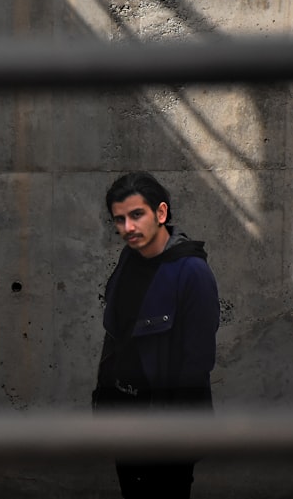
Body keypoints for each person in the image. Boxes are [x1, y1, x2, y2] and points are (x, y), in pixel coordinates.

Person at [91, 171, 220, 499]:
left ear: (161, 213)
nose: (128, 228)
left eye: (137, 215)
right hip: (124, 412)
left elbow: (198, 360)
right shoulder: (128, 259)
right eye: (119, 219)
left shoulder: (192, 272)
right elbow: (116, 337)